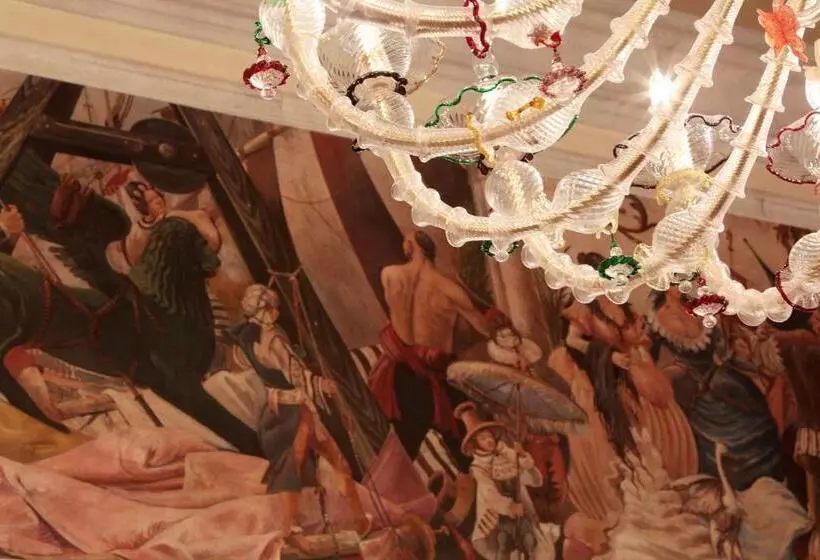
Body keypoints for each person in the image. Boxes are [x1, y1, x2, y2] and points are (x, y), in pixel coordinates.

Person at [227, 284, 371, 546]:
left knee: (334, 462)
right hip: (293, 411)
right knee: (295, 468)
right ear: (265, 310)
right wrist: (321, 384)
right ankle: (289, 528)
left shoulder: (247, 340)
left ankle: (359, 521)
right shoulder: (273, 339)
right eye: (273, 308)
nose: (276, 312)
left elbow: (251, 366)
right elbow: (295, 375)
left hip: (282, 409)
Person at [369, 230, 490, 467]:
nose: (403, 244)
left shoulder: (389, 275)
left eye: (406, 240)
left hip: (401, 373)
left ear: (412, 245)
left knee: (404, 445)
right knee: (464, 449)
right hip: (435, 374)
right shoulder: (449, 288)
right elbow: (483, 327)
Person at [456, 402, 555, 559]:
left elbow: (533, 481)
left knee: (532, 544)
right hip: (498, 515)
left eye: (489, 436)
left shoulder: (506, 453)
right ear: (476, 444)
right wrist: (510, 507)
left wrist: (523, 458)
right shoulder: (479, 467)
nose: (488, 441)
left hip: (522, 509)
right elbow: (489, 494)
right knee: (505, 546)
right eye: (482, 438)